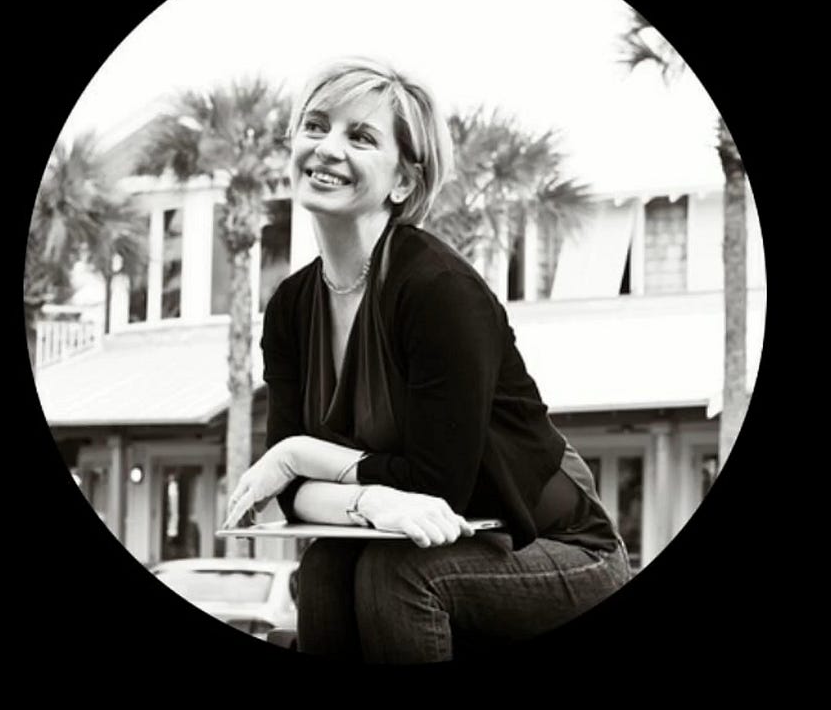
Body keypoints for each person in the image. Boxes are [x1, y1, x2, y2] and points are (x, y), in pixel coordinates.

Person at [222, 56, 630, 663]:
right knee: (328, 564)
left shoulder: (439, 289)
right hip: (440, 544)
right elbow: (292, 497)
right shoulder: (289, 307)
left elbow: (436, 489)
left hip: (561, 549)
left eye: (361, 137)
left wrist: (296, 454)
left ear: (403, 184)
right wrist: (369, 501)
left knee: (401, 575)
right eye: (316, 126)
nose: (327, 148)